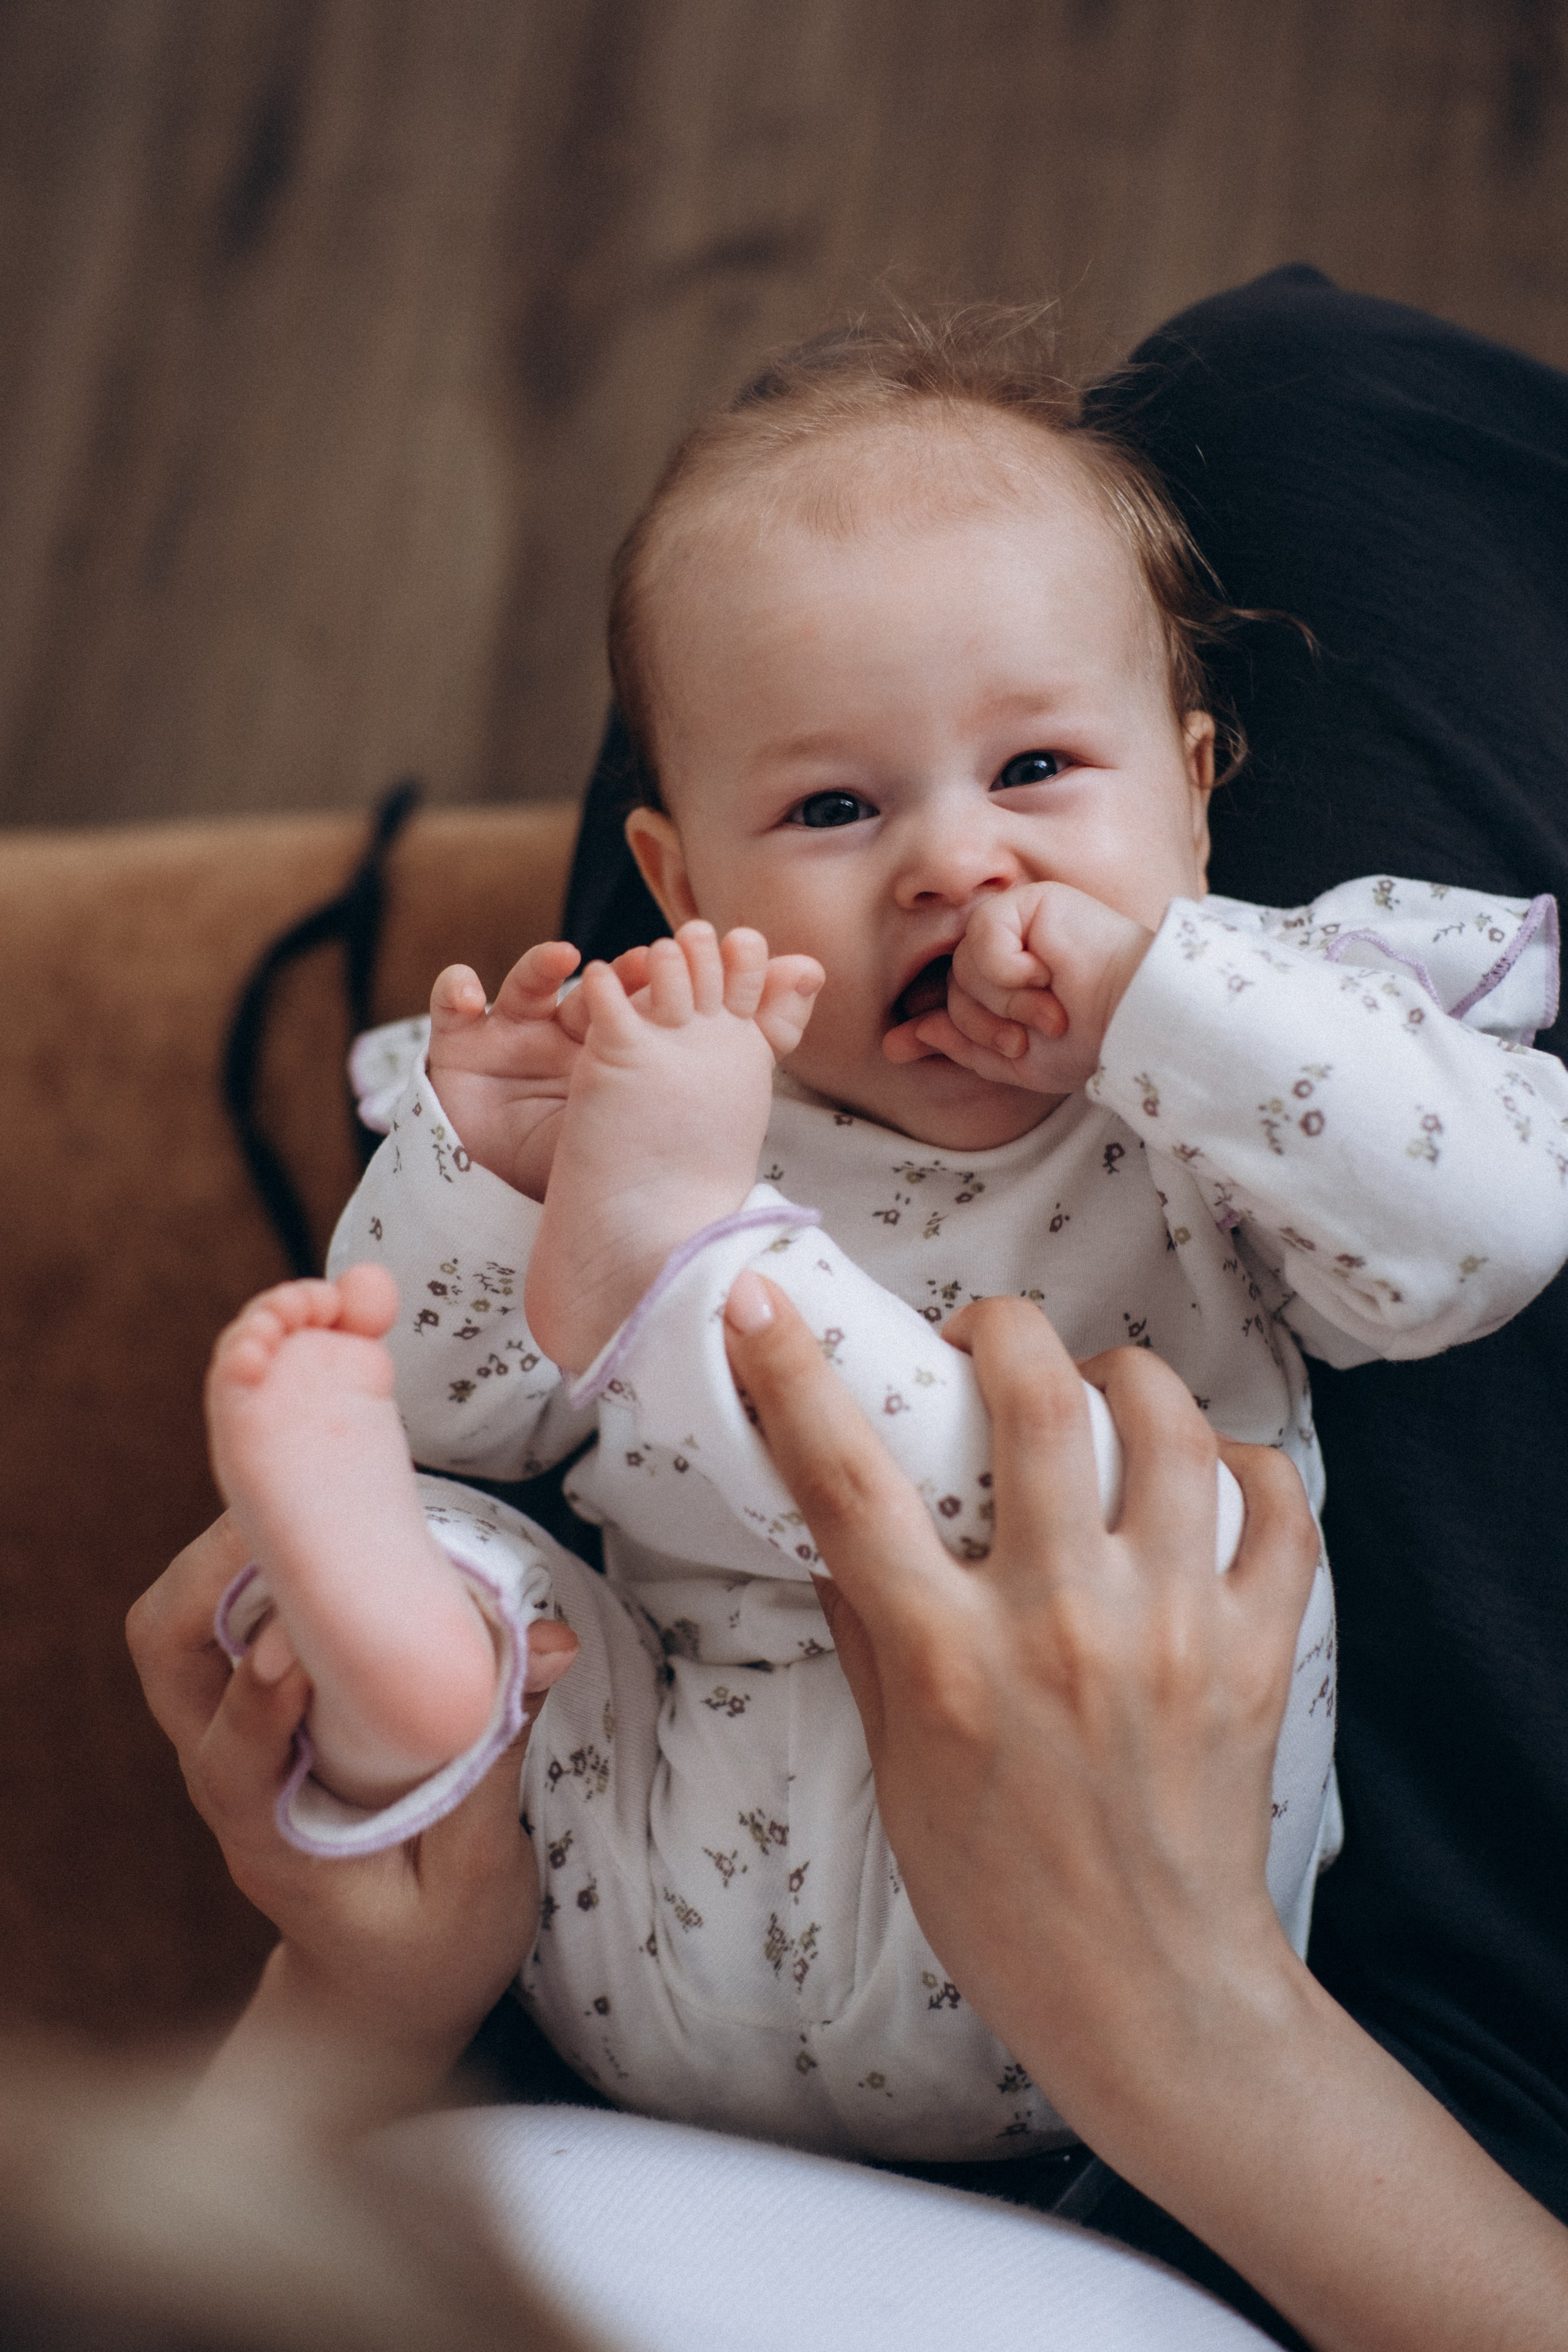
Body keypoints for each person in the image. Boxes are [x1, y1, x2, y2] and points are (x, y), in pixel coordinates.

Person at [200, 304, 1566, 2163]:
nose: (951, 863)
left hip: (1100, 1884)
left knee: (1093, 1474)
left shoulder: (1235, 1063)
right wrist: (482, 1167)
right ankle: (410, 1700)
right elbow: (474, 1409)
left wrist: (1169, 993)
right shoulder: (683, 1077)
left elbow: (1484, 1231)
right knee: (424, 1540)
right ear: (677, 879)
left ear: (1199, 788)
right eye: (834, 808)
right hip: (632, 1914)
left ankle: (694, 1285)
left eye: (1037, 777)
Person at [127, 1283, 1568, 2352]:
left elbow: (136, 2299)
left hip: (494, 2035)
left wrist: (351, 2011)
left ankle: (418, 1659)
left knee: (772, 965)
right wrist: (1181, 2011)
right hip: (1269, 2129)